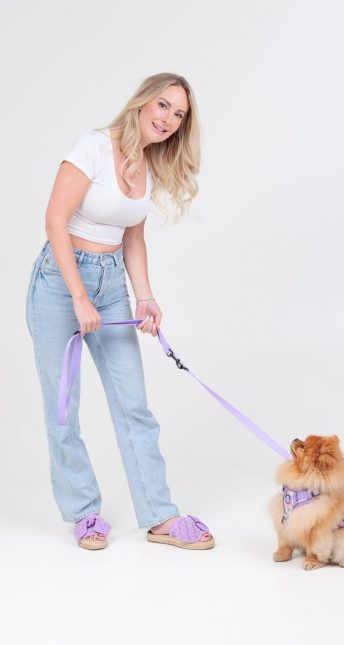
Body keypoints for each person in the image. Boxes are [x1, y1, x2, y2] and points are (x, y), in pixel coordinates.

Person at [25, 72, 214, 551]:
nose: (168, 119)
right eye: (163, 106)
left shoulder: (147, 164)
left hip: (111, 286)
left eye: (179, 115)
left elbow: (133, 237)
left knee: (134, 405)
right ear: (142, 102)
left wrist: (145, 296)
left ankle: (160, 515)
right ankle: (83, 512)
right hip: (59, 283)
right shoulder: (92, 147)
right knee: (63, 408)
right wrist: (78, 296)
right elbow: (55, 221)